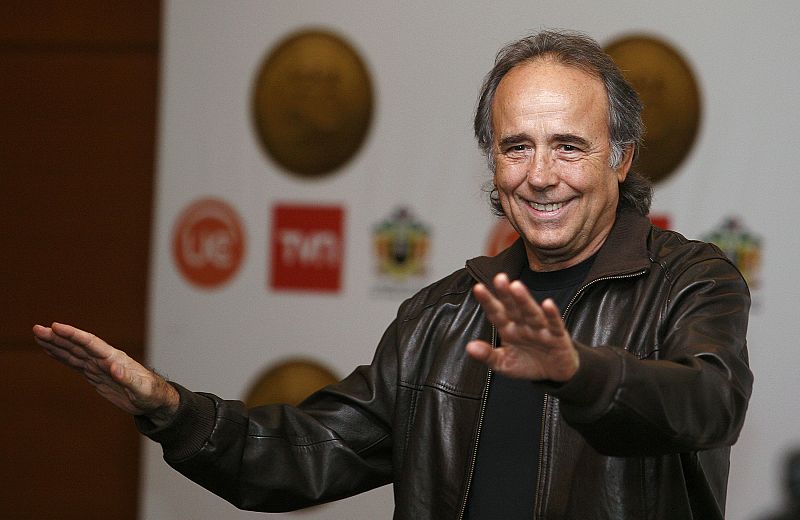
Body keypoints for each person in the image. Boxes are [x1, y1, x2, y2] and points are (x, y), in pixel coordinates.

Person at [33, 29, 752, 519]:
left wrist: (580, 373)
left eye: (568, 147)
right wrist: (170, 407)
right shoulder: (442, 316)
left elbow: (709, 404)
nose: (539, 177)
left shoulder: (689, 281)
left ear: (620, 159)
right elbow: (307, 454)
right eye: (515, 147)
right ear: (492, 163)